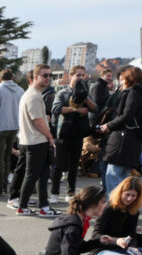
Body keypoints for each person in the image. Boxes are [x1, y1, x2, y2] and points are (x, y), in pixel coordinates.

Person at [99, 66, 142, 196]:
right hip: (133, 139)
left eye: (123, 79)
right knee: (123, 179)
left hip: (123, 140)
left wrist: (109, 125)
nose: (121, 82)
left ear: (130, 79)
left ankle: (113, 209)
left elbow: (127, 115)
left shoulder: (133, 93)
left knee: (113, 178)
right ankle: (122, 209)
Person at [39, 186, 108, 255]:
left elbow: (76, 247)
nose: (105, 205)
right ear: (94, 204)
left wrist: (99, 241)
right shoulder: (74, 225)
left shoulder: (78, 218)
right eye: (103, 202)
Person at [12, 64, 58, 217]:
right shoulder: (33, 95)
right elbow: (38, 122)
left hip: (31, 140)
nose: (48, 78)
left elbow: (38, 119)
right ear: (36, 77)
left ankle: (44, 206)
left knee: (43, 175)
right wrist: (50, 136)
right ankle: (22, 206)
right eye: (44, 75)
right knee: (32, 175)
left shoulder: (34, 94)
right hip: (35, 141)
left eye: (49, 75)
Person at [51, 66, 96, 204]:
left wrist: (86, 99)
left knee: (73, 166)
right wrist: (76, 109)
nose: (80, 78)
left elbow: (95, 108)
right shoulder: (63, 93)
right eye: (77, 75)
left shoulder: (86, 93)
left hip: (78, 134)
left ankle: (71, 192)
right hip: (63, 133)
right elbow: (56, 109)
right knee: (58, 165)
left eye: (83, 75)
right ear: (70, 76)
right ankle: (54, 192)